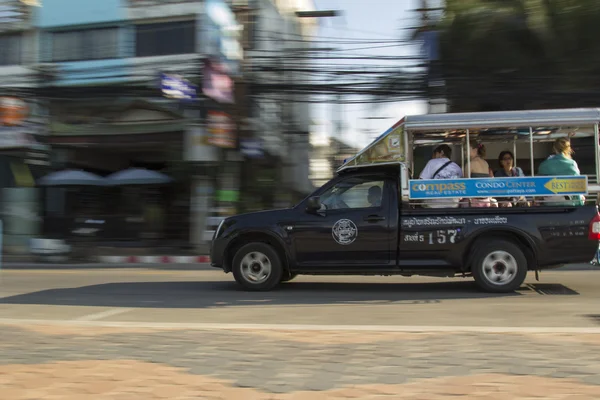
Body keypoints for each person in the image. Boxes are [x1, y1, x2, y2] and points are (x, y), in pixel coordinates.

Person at [537, 137, 584, 206]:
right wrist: (580, 202)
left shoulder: (544, 165)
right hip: (569, 203)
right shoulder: (572, 164)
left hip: (549, 203)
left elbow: (539, 186)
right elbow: (577, 187)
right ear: (568, 149)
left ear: (554, 148)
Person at [467, 141, 496, 207]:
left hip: (475, 200)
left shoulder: (470, 164)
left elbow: (466, 184)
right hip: (486, 199)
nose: (465, 152)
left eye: (467, 149)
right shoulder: (485, 163)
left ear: (475, 150)